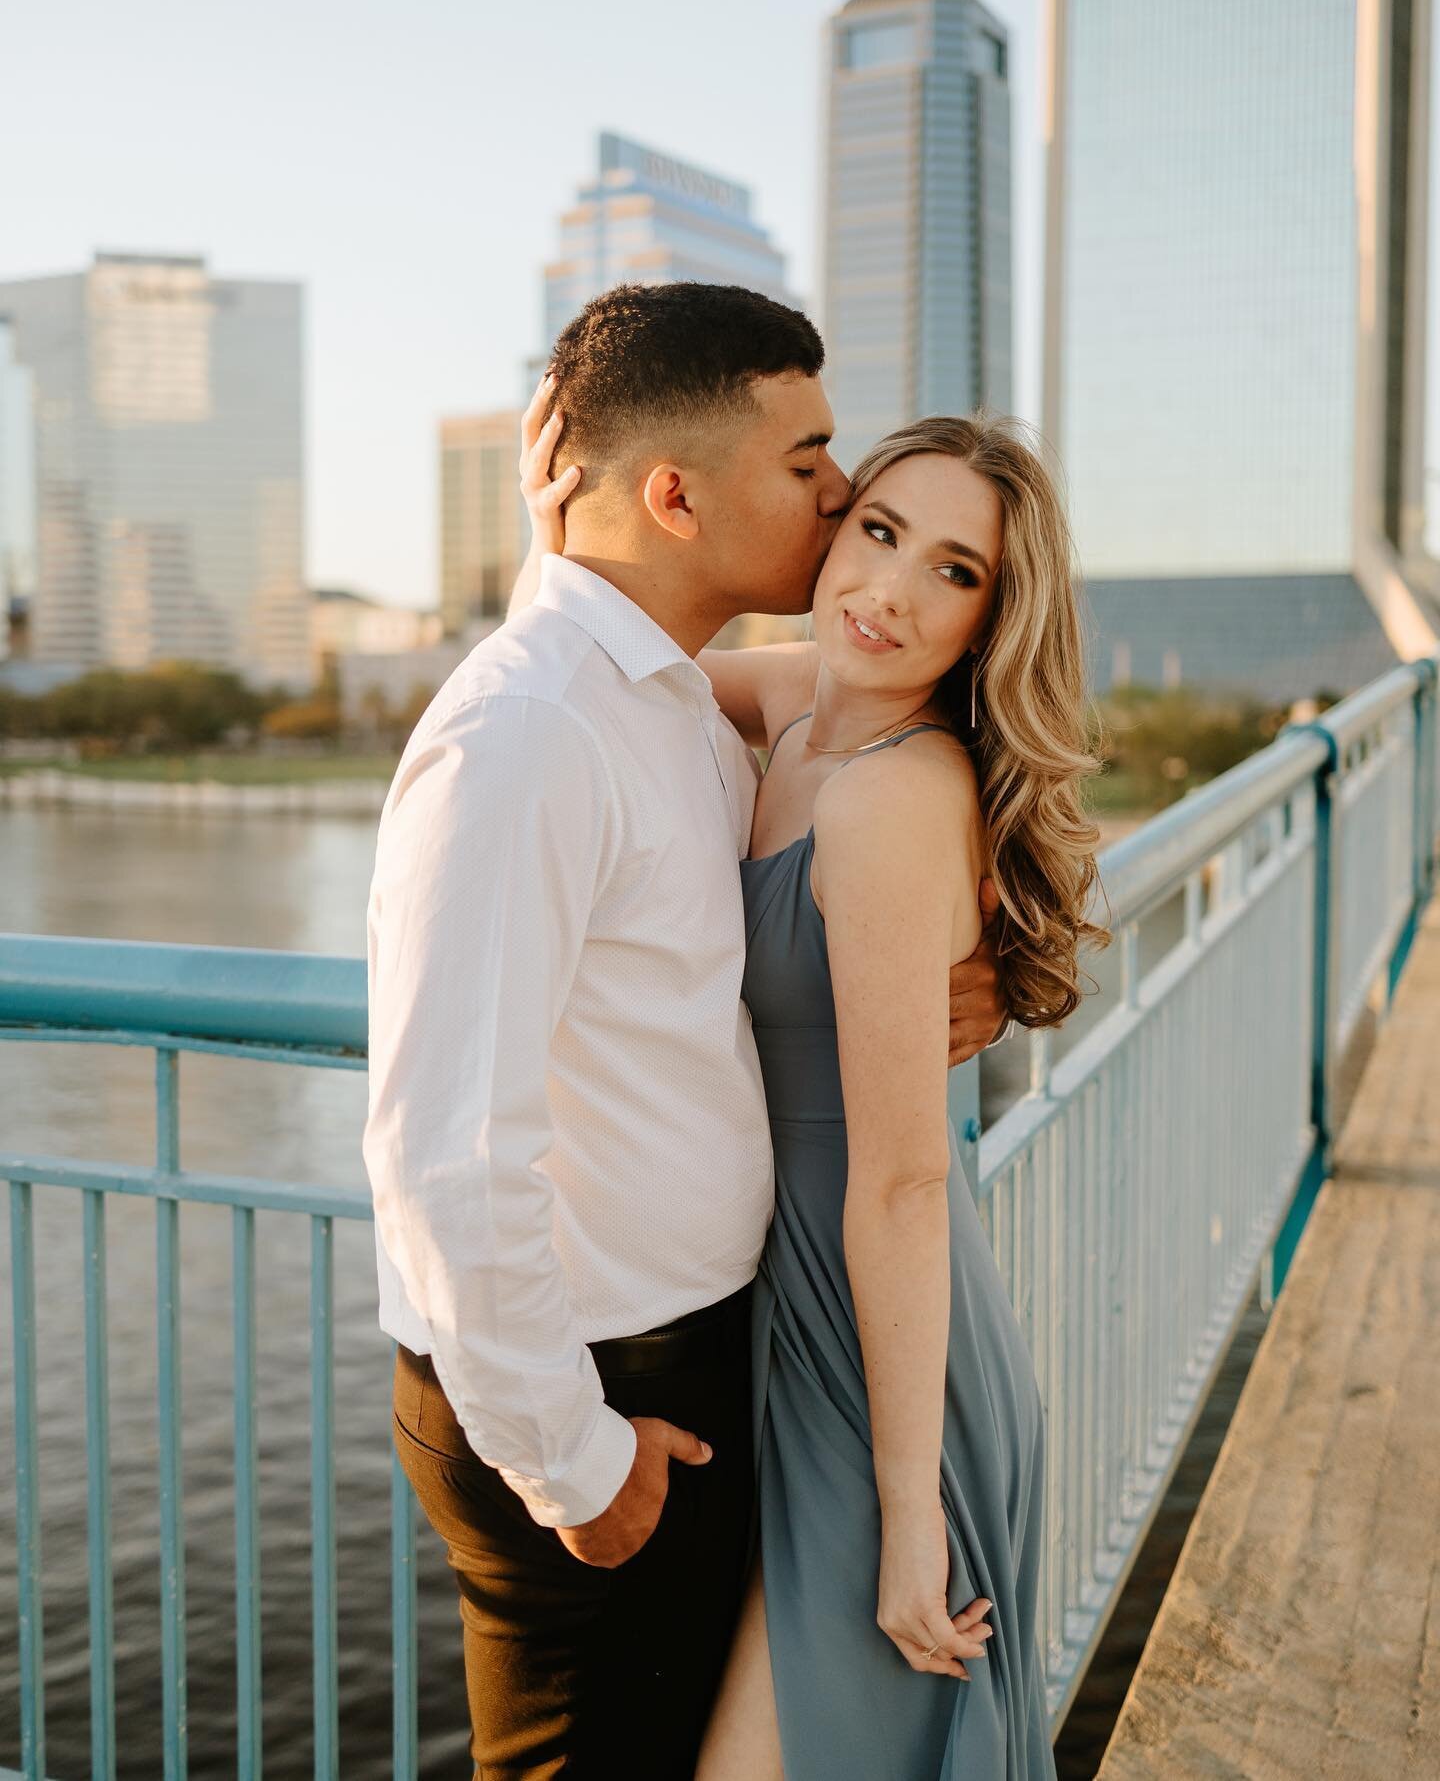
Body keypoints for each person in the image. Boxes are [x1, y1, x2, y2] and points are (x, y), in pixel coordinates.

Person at [363, 281, 1010, 1781]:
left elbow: (879, 793)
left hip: (716, 1356)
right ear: (673, 493)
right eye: (808, 462)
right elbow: (448, 1154)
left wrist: (969, 981)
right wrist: (574, 1461)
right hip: (596, 1385)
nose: (841, 493)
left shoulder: (676, 696)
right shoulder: (525, 737)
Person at [520, 402, 1107, 1778]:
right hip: (773, 1309)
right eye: (883, 532)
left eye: (955, 573)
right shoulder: (792, 707)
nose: (894, 592)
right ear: (835, 528)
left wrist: (911, 1518)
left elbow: (902, 1183)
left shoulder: (892, 796)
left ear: (992, 621)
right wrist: (558, 543)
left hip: (874, 1343)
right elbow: (574, 684)